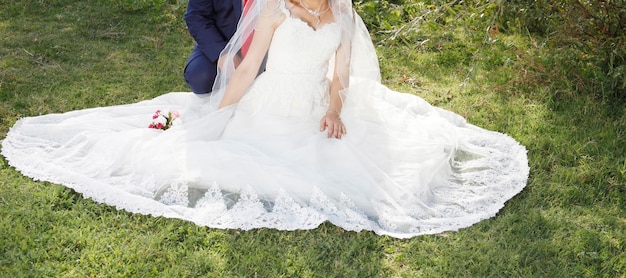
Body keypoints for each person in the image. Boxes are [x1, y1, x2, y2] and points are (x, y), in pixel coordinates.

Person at [1, 0, 529, 238]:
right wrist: (215, 115)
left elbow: (340, 74)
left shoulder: (343, 12)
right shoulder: (275, 11)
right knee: (238, 153)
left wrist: (334, 109)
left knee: (347, 157)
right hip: (269, 100)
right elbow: (249, 65)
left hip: (313, 105)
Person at [183, 0, 243, 94]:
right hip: (222, 39)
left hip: (267, 42)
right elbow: (196, 16)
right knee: (200, 76)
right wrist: (221, 52)